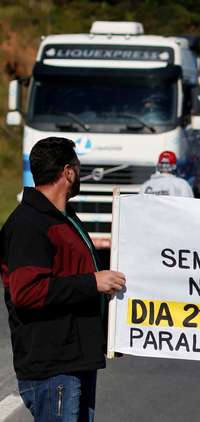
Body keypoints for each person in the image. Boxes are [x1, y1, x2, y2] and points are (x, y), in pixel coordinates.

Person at [0, 137, 127, 422]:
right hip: (53, 365)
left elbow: (77, 274)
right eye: (78, 168)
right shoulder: (29, 224)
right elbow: (27, 292)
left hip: (76, 358)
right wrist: (93, 283)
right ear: (68, 172)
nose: (79, 174)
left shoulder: (64, 218)